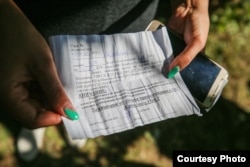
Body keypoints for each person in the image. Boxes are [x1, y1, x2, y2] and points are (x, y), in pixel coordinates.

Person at [0, 0, 209, 162]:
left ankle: (78, 119)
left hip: (129, 22)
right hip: (42, 21)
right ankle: (43, 115)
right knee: (43, 81)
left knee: (99, 88)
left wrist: (194, 3)